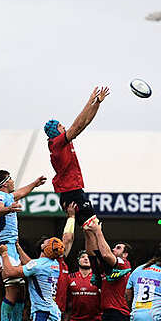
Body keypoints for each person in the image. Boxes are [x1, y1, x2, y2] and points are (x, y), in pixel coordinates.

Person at [0, 204, 78, 321]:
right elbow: (31, 264)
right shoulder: (54, 264)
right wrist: (18, 248)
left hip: (44, 312)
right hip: (53, 312)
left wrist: (4, 254)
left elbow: (10, 272)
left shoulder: (40, 264)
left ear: (45, 248)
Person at [0, 169, 47, 321]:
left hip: (10, 246)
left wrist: (35, 184)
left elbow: (22, 192)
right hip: (2, 245)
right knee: (12, 290)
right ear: (5, 182)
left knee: (20, 292)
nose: (13, 181)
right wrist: (9, 209)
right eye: (11, 179)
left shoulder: (9, 196)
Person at [45, 86, 110, 228]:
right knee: (93, 227)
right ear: (55, 130)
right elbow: (78, 124)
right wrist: (90, 101)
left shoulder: (61, 142)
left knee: (90, 228)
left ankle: (91, 251)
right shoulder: (57, 143)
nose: (64, 127)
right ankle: (95, 251)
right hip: (71, 192)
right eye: (61, 126)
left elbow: (84, 123)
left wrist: (97, 103)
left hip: (72, 190)